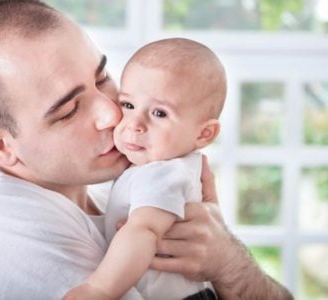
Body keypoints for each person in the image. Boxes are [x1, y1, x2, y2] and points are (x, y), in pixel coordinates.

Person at [0, 0, 293, 299]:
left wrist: (228, 261)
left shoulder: (117, 191)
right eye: (69, 110)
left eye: (102, 78)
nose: (112, 112)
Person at [65, 38, 226, 300]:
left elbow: (144, 231)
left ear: (204, 133)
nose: (135, 124)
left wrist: (100, 289)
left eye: (160, 113)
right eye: (128, 105)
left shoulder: (163, 173)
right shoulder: (158, 167)